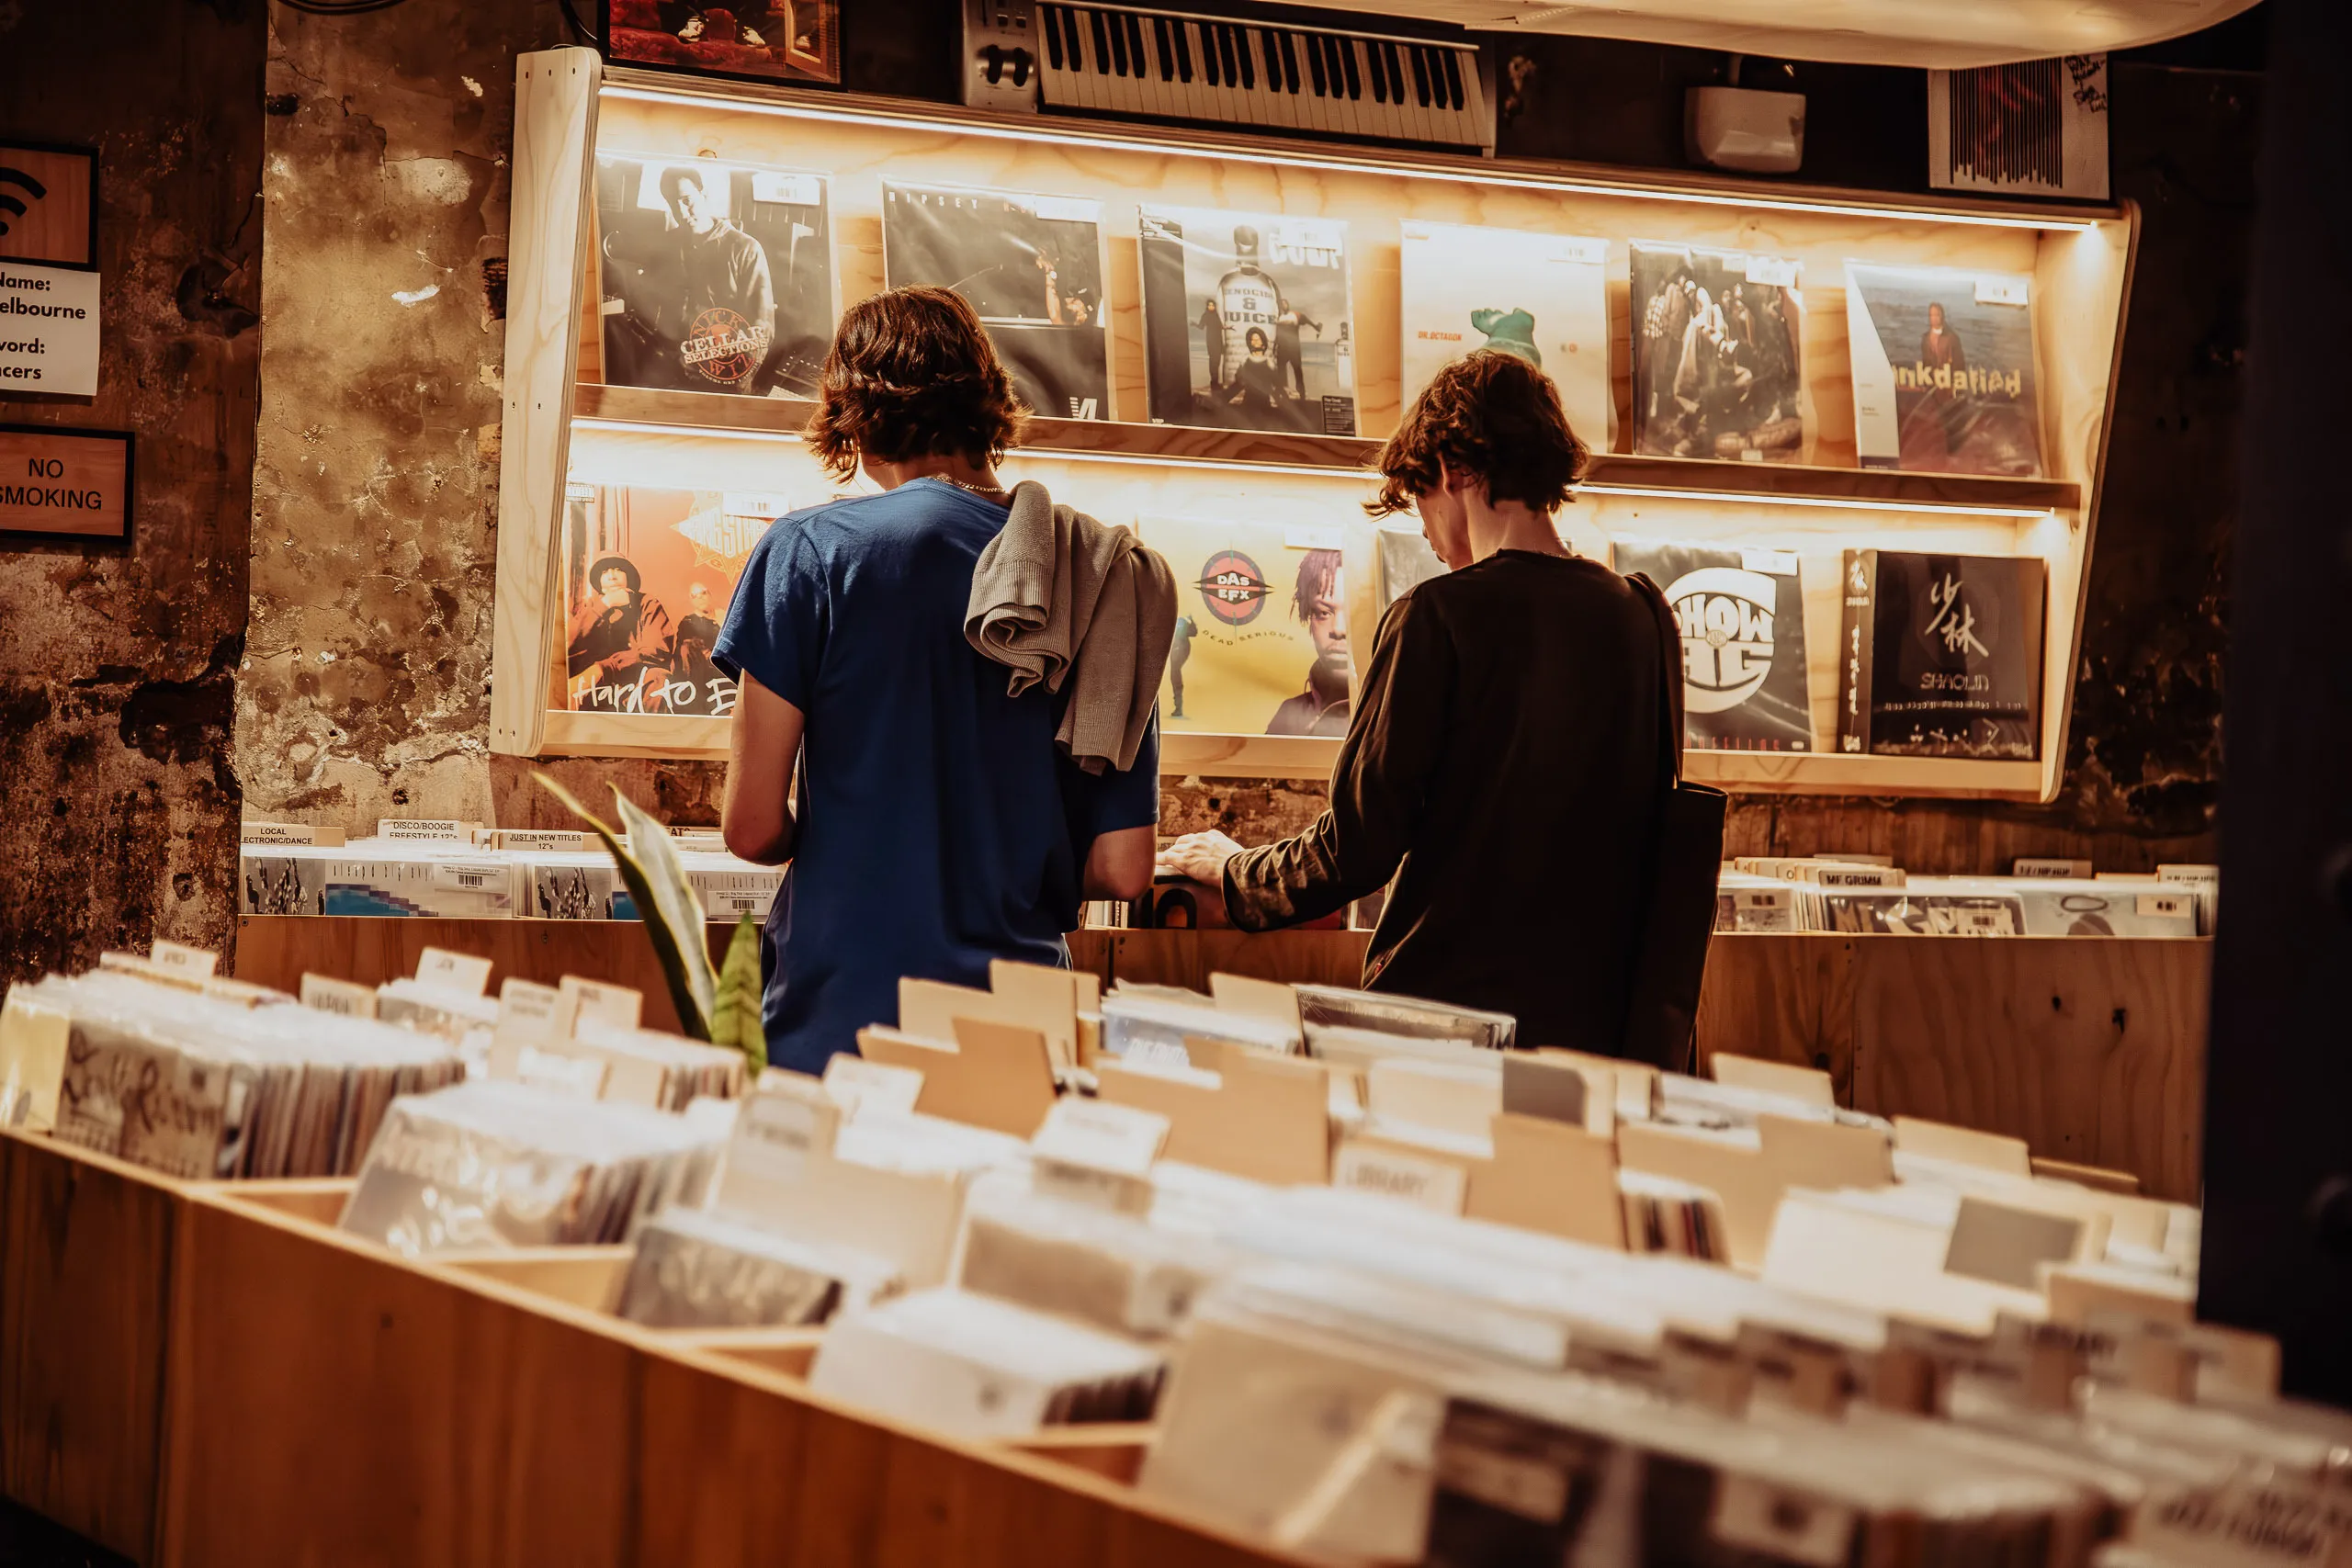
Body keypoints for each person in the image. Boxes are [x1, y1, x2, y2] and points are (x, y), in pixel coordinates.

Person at [1159, 351, 1668, 1055]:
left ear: (1456, 470)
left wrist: (1234, 870)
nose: (1426, 533)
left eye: (1421, 499)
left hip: (1447, 1031)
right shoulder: (1642, 613)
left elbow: (1357, 849)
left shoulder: (1437, 615)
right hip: (1601, 1034)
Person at [715, 286, 1159, 1074]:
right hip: (1021, 1030)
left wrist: (844, 839)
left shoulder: (809, 554)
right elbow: (1123, 868)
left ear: (854, 418)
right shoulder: (1102, 576)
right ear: (988, 403)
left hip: (840, 1018)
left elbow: (751, 828)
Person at [659, 165, 775, 390]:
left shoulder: (746, 249)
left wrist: (712, 364)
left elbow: (761, 329)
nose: (681, 212)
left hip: (726, 376)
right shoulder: (668, 245)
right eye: (673, 203)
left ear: (704, 194)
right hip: (672, 373)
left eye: (686, 200)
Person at [568, 556, 675, 713]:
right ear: (599, 581)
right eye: (605, 571)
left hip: (636, 681)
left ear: (628, 577)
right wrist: (605, 605)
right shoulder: (590, 606)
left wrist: (603, 669)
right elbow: (567, 649)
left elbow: (656, 652)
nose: (612, 575)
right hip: (595, 686)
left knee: (658, 677)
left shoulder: (647, 603)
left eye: (618, 570)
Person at [1267, 548, 1351, 738]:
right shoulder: (1289, 715)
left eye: (1354, 613)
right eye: (1323, 613)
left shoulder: (1397, 711)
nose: (1338, 629)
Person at [1918, 300, 1970, 456]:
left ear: (1943, 316)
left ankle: (1953, 450)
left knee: (1951, 419)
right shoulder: (1925, 338)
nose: (1934, 317)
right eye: (1932, 314)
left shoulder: (1952, 338)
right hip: (1933, 386)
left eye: (1937, 314)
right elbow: (1925, 362)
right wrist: (1923, 381)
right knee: (1936, 419)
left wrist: (1956, 385)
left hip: (1948, 386)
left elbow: (1960, 364)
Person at [1226, 326, 1283, 415]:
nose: (1255, 342)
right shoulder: (1244, 361)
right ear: (1250, 342)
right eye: (1253, 340)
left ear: (1262, 342)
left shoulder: (1269, 363)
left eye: (1258, 339)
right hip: (1248, 403)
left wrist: (1280, 404)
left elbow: (1276, 387)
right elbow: (1238, 384)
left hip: (1264, 404)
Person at [1272, 296, 1321, 399]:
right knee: (1280, 371)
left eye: (1285, 303)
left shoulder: (1294, 315)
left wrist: (1315, 326)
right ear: (1280, 307)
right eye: (1282, 304)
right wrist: (1274, 346)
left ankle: (1302, 393)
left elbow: (1305, 320)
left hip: (1294, 348)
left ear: (1288, 305)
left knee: (1297, 371)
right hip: (1282, 348)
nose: (1283, 305)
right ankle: (1278, 392)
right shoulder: (1280, 318)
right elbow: (1278, 333)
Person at [1197, 299, 1226, 390]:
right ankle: (1214, 383)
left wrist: (1227, 328)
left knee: (1217, 362)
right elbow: (1201, 327)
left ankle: (1215, 382)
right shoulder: (1205, 315)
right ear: (1207, 306)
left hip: (1218, 340)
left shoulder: (1216, 315)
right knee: (1213, 362)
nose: (1211, 307)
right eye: (1209, 305)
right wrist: (1194, 324)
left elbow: (1220, 327)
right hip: (1211, 341)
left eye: (1212, 305)